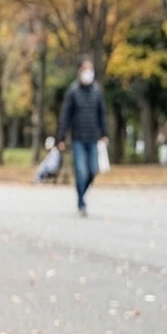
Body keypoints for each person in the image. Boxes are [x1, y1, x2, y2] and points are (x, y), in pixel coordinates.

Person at [57, 57, 109, 217]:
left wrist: (104, 134)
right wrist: (60, 138)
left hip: (93, 138)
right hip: (78, 138)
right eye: (85, 69)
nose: (89, 73)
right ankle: (81, 203)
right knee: (81, 171)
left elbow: (102, 114)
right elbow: (66, 116)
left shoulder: (97, 91)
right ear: (79, 71)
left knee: (92, 170)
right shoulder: (73, 92)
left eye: (90, 69)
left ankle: (82, 194)